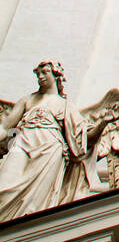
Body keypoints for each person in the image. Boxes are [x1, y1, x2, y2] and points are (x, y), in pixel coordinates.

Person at [0, 61, 109, 222]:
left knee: (36, 199)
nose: (41, 77)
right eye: (38, 74)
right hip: (21, 142)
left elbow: (85, 140)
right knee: (5, 185)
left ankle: (28, 227)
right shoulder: (27, 100)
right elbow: (6, 127)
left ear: (56, 76)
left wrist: (104, 122)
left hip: (51, 149)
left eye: (45, 72)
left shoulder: (66, 107)